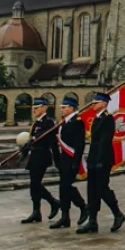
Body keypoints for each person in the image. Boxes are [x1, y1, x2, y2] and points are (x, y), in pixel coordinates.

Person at [77, 92, 125, 234]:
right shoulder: (97, 119)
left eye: (96, 102)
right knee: (92, 190)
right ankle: (92, 221)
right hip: (93, 159)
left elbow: (104, 141)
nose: (93, 104)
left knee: (102, 188)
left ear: (104, 104)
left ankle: (118, 214)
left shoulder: (108, 119)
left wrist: (99, 160)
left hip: (103, 159)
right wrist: (91, 159)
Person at [20, 97, 60, 224]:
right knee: (33, 185)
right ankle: (36, 212)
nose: (34, 110)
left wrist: (57, 159)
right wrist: (24, 151)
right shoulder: (36, 123)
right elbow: (31, 139)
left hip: (42, 156)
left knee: (35, 184)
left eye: (37, 108)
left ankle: (53, 202)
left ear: (44, 108)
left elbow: (45, 137)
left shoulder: (48, 122)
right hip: (34, 155)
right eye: (33, 108)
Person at [50, 97, 88, 229]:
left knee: (66, 186)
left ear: (71, 108)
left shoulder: (77, 122)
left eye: (64, 107)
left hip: (72, 159)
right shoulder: (63, 122)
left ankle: (83, 206)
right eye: (61, 107)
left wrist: (76, 162)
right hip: (64, 159)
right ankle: (65, 217)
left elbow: (80, 144)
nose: (61, 109)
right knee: (63, 187)